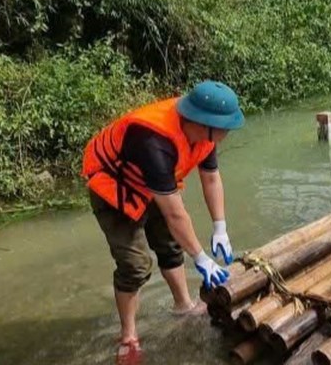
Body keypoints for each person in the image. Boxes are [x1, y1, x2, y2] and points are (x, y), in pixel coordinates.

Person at [82, 80, 244, 364]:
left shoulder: (205, 135)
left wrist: (221, 227)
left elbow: (211, 178)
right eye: (224, 129)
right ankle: (128, 337)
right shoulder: (153, 141)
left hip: (153, 183)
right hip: (114, 187)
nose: (226, 135)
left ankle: (184, 305)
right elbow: (175, 214)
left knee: (170, 245)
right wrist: (201, 257)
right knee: (135, 266)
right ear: (203, 121)